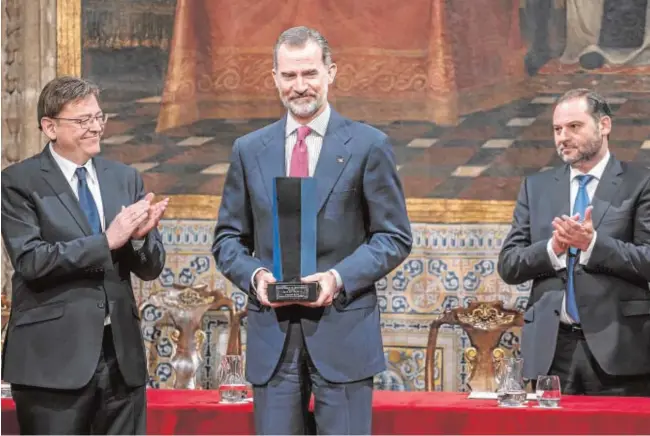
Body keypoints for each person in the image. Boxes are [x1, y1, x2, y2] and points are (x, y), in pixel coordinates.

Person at [213, 26, 412, 434]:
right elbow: (228, 239)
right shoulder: (249, 150)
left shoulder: (368, 146)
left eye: (309, 74)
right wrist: (256, 277)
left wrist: (338, 278)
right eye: (289, 76)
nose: (299, 86)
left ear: (330, 73)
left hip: (344, 334)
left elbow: (394, 237)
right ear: (274, 79)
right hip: (273, 340)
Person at [1, 76, 169, 434]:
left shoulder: (124, 178)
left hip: (120, 359)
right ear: (50, 127)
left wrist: (139, 240)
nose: (95, 128)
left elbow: (151, 268)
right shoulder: (18, 182)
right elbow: (31, 260)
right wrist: (107, 241)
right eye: (82, 121)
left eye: (99, 118)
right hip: (52, 362)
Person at [498, 88, 650, 396]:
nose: (562, 137)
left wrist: (592, 245)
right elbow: (509, 265)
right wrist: (552, 250)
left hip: (619, 350)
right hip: (552, 352)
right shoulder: (536, 187)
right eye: (557, 129)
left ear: (604, 125)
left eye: (574, 127)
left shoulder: (640, 183)